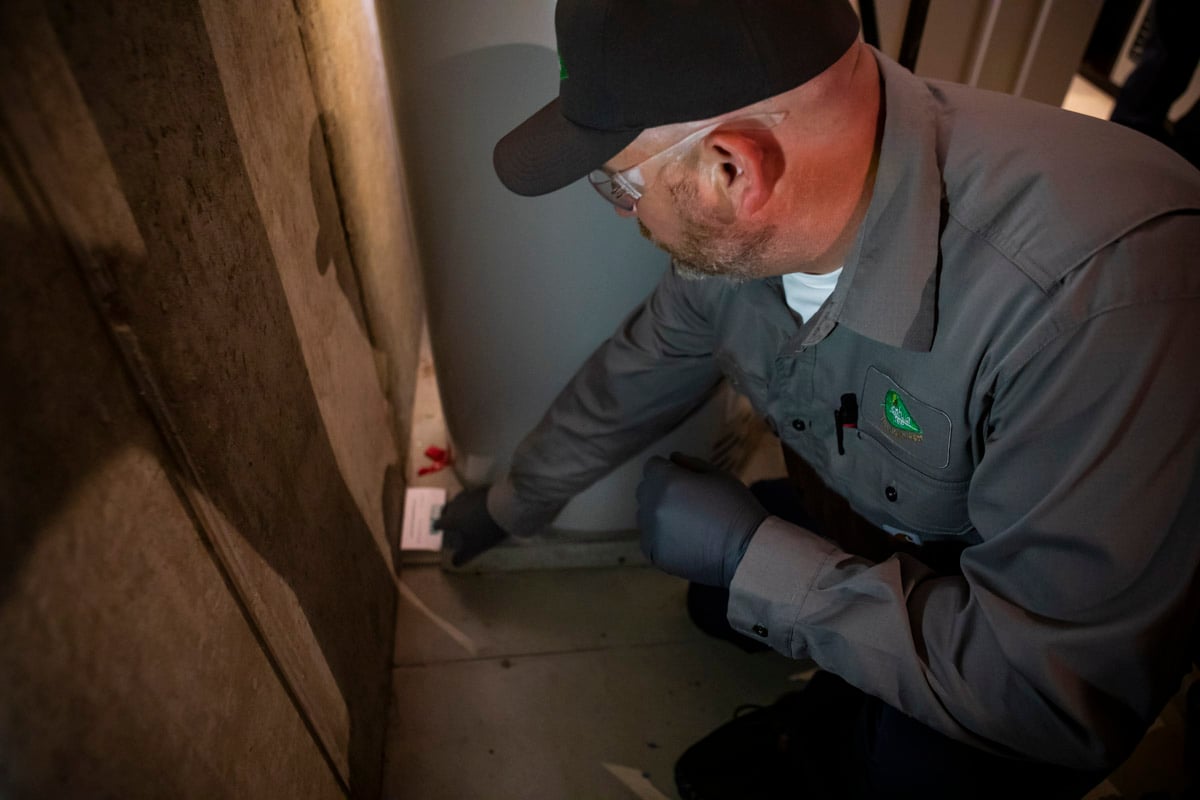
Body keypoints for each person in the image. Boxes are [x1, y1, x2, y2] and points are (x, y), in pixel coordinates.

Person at [434, 1, 1200, 797]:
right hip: (890, 511)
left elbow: (1055, 693)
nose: (628, 213)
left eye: (617, 184)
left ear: (732, 168)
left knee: (916, 768)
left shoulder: (1098, 304)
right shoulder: (750, 240)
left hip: (1015, 617)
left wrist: (754, 559)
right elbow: (635, 373)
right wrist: (514, 500)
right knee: (714, 602)